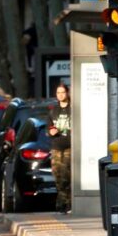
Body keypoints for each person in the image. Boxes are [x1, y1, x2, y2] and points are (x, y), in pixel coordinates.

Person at [49, 83, 72, 214]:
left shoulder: (72, 109)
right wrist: (51, 130)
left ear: (67, 93)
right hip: (56, 147)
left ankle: (65, 204)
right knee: (57, 175)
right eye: (58, 93)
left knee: (66, 176)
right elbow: (49, 125)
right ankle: (62, 202)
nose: (60, 95)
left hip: (69, 146)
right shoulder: (54, 110)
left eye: (62, 92)